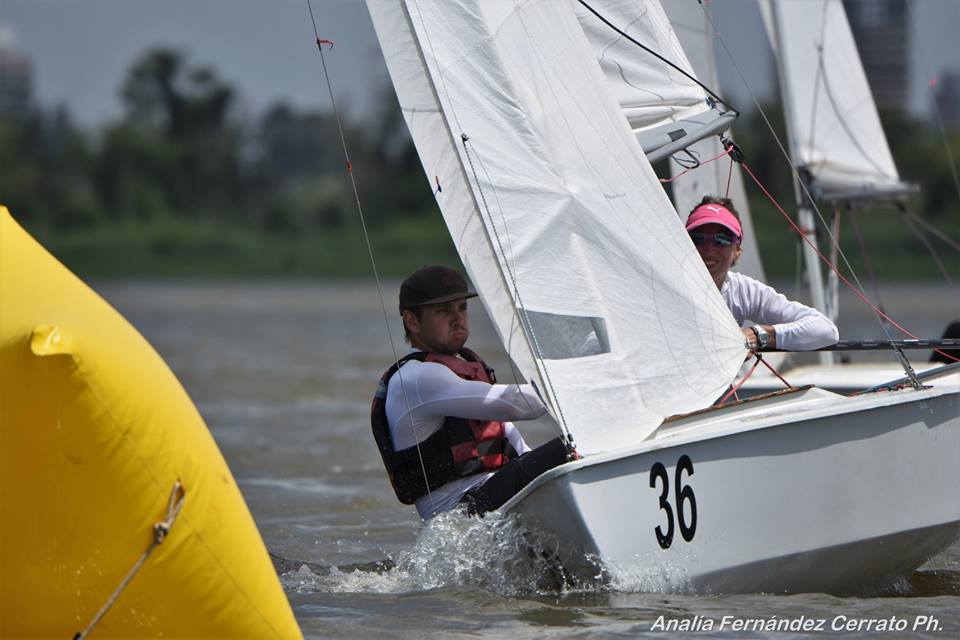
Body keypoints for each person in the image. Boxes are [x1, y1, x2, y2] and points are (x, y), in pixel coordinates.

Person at [371, 265, 574, 520]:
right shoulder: (416, 378)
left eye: (462, 308)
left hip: (490, 501)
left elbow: (522, 452)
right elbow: (520, 405)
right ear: (412, 321)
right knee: (572, 447)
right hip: (460, 513)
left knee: (573, 452)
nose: (457, 318)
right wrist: (582, 379)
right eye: (443, 310)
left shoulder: (464, 372)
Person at [686, 196, 839, 352]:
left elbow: (826, 330)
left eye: (722, 239)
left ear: (737, 252)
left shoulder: (743, 291)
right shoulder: (669, 285)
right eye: (697, 238)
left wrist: (759, 335)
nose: (709, 249)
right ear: (683, 242)